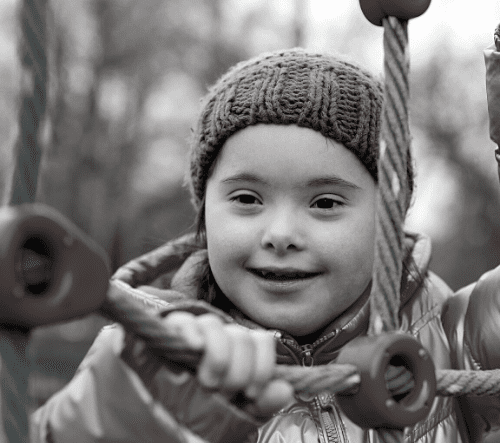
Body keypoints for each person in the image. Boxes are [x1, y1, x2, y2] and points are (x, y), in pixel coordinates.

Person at [31, 48, 500, 443]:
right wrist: (128, 405)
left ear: (390, 220)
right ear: (204, 212)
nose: (280, 233)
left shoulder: (453, 335)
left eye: (325, 203)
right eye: (247, 199)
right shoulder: (152, 357)